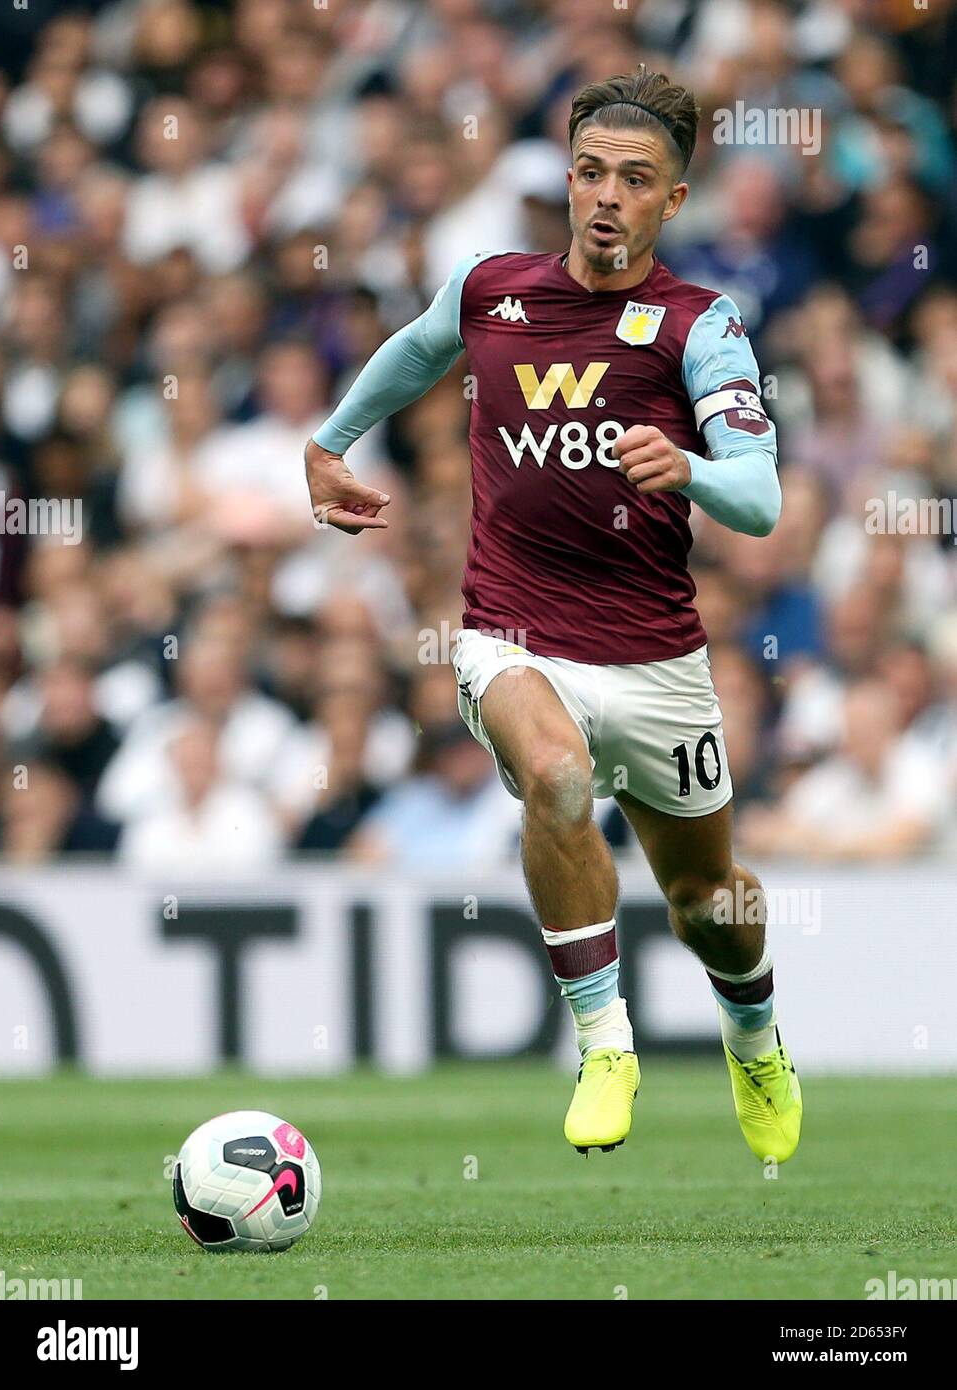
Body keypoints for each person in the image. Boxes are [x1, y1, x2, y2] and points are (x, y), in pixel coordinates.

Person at [304, 67, 801, 1166]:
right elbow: (420, 348)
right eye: (588, 173)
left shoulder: (698, 326)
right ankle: (605, 1041)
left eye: (635, 179)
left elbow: (761, 499)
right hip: (514, 633)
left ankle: (755, 1033)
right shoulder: (493, 289)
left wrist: (689, 469)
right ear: (566, 182)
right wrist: (331, 441)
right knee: (559, 778)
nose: (605, 198)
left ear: (674, 200)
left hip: (657, 656)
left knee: (709, 901)